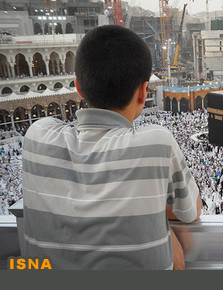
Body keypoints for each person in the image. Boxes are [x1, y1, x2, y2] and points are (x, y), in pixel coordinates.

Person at [22, 25, 201, 270]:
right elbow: (190, 213)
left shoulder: (36, 137)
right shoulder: (156, 142)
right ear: (142, 92)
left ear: (79, 87)